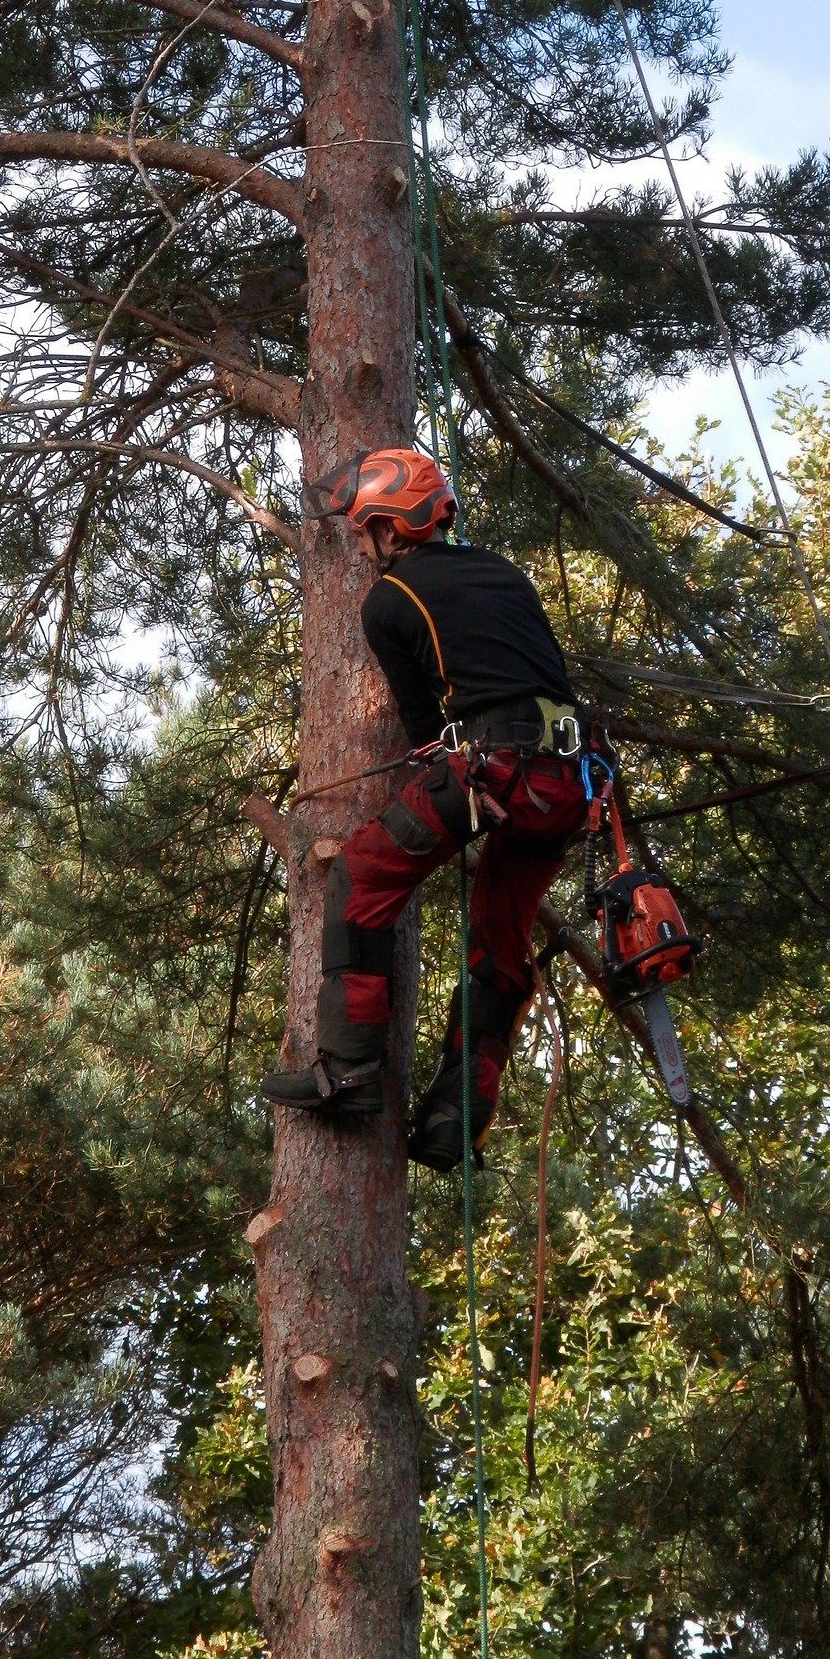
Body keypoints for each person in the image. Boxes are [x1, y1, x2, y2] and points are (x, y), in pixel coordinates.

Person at [260, 447, 590, 1170]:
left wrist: (450, 783)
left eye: (363, 526)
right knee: (501, 948)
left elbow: (422, 733)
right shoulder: (505, 572)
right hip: (568, 785)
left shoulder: (388, 602)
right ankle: (453, 1118)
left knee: (363, 877)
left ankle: (346, 1071)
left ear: (391, 524)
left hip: (494, 771)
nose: (358, 540)